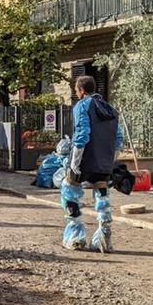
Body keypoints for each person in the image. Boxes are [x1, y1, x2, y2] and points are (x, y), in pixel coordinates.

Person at [62, 76, 124, 253]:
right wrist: (110, 160)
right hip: (104, 161)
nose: (76, 93)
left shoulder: (82, 105)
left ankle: (75, 236)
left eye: (76, 90)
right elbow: (118, 137)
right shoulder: (110, 108)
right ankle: (104, 237)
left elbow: (82, 133)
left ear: (81, 90)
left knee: (69, 191)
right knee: (102, 194)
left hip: (84, 159)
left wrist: (75, 162)